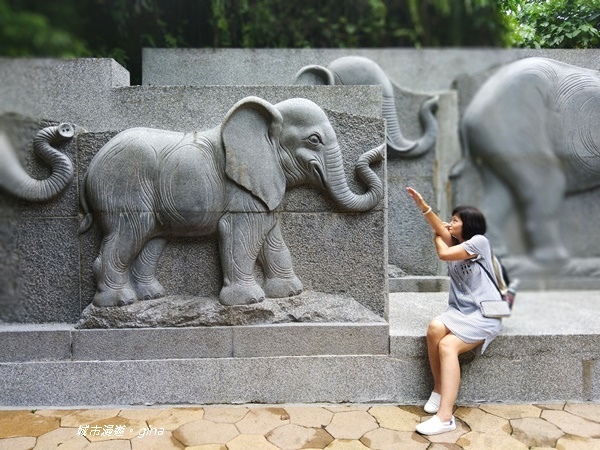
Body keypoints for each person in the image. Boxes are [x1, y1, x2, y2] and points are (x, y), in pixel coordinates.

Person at [406, 187, 504, 436]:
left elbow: (444, 253)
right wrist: (424, 207)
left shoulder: (480, 242)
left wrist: (436, 235)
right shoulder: (459, 243)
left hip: (484, 314)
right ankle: (438, 391)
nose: (450, 223)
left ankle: (445, 417)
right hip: (460, 312)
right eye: (450, 219)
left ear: (467, 224)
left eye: (455, 220)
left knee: (447, 346)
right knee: (434, 328)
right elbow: (442, 233)